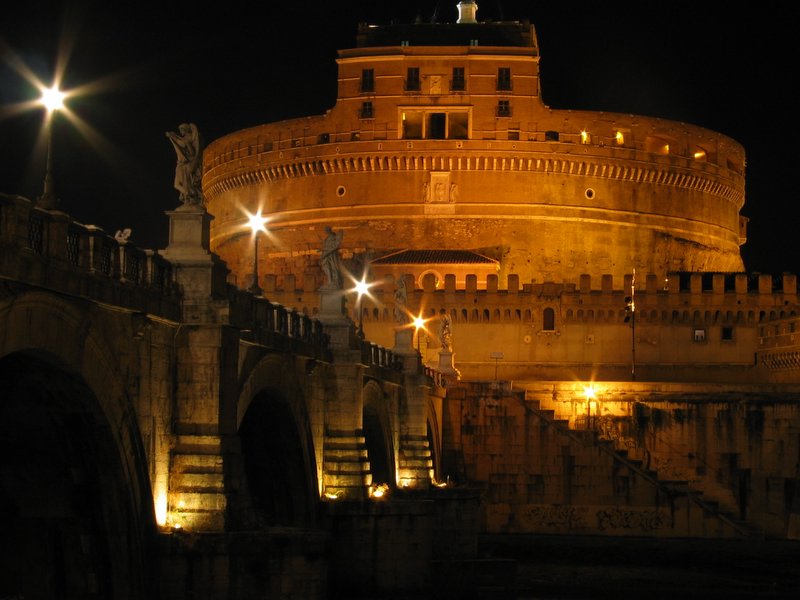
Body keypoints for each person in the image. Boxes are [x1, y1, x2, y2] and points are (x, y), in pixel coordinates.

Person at [166, 123, 203, 206]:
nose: (180, 132)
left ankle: (189, 193)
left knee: (177, 184)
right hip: (183, 164)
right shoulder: (185, 139)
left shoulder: (187, 139)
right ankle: (189, 194)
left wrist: (173, 137)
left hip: (185, 165)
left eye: (181, 130)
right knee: (179, 184)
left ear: (185, 130)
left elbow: (191, 151)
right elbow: (180, 142)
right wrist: (173, 136)